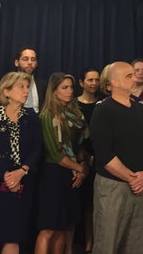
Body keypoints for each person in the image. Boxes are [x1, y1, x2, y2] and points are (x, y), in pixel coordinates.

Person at [91, 62, 143, 254]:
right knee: (107, 242)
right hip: (113, 186)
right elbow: (104, 153)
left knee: (135, 243)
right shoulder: (103, 110)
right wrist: (132, 178)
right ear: (113, 81)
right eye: (129, 75)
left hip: (140, 185)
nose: (135, 77)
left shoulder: (142, 109)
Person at [0, 71, 42, 254]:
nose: (26, 91)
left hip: (22, 185)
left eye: (27, 87)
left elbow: (37, 148)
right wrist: (6, 174)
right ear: (6, 91)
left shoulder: (31, 117)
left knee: (14, 238)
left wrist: (22, 171)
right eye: (21, 87)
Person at [35, 72, 90, 254]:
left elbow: (82, 146)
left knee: (63, 226)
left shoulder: (76, 115)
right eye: (64, 88)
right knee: (48, 228)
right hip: (53, 175)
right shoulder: (47, 116)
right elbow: (55, 153)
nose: (69, 91)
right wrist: (79, 168)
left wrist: (82, 168)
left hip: (72, 176)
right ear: (54, 91)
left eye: (71, 87)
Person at [76, 68, 100, 254]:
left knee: (92, 207)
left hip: (98, 161)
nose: (93, 83)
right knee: (78, 204)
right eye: (90, 80)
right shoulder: (73, 105)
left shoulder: (102, 104)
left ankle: (89, 244)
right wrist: (82, 159)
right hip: (77, 160)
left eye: (96, 80)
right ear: (81, 82)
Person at [15, 47, 47, 113]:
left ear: (37, 63)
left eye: (33, 59)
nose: (30, 62)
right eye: (25, 59)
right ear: (16, 62)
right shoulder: (7, 84)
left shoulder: (44, 85)